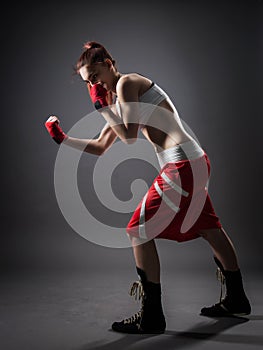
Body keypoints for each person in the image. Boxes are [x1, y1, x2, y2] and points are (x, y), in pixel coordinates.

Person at [44, 41, 251, 334]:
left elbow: (127, 136)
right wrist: (63, 139)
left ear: (109, 63)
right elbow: (103, 146)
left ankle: (152, 316)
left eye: (94, 76)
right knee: (208, 228)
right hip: (193, 161)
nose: (93, 84)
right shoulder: (117, 99)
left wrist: (100, 106)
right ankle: (237, 298)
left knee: (137, 230)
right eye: (87, 82)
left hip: (180, 165)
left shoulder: (127, 83)